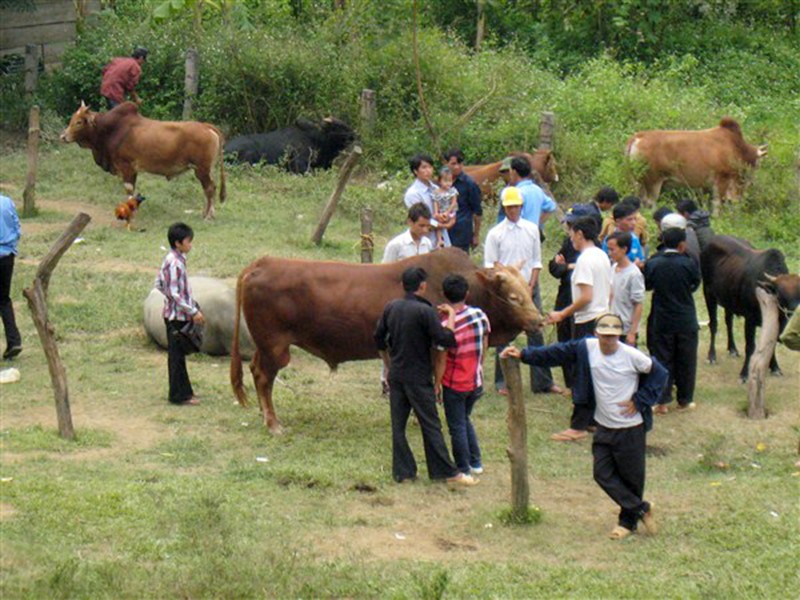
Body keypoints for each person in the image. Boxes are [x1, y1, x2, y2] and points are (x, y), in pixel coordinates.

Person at [501, 313, 667, 540]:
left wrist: (641, 400)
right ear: (597, 334)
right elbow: (556, 353)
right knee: (602, 473)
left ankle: (626, 522)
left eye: (613, 337)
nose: (609, 341)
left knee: (631, 477)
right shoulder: (586, 348)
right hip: (604, 425)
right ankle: (642, 508)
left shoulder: (632, 356)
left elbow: (660, 373)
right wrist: (523, 354)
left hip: (631, 428)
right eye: (604, 336)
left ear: (619, 336)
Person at [374, 267, 477, 486]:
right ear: (423, 286)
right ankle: (446, 472)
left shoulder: (391, 307)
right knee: (430, 424)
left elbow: (379, 339)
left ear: (403, 286)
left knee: (398, 425)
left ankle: (404, 472)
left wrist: (388, 364)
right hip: (419, 377)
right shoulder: (425, 311)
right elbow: (446, 339)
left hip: (397, 375)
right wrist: (450, 315)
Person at [485, 187, 561, 396]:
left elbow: (536, 261)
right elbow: (491, 266)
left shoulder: (531, 229)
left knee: (536, 329)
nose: (513, 211)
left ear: (521, 207)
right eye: (509, 207)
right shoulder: (495, 234)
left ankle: (542, 381)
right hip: (506, 290)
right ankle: (503, 382)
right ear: (504, 208)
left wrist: (530, 285)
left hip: (528, 284)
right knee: (504, 334)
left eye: (516, 207)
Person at [547, 216, 611, 441]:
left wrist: (562, 314)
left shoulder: (584, 260)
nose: (570, 238)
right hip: (603, 318)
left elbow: (585, 296)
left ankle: (578, 426)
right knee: (595, 372)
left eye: (572, 233)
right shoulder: (603, 256)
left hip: (588, 320)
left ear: (581, 234)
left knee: (582, 373)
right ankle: (594, 419)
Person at [436, 274, 490, 476]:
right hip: (475, 380)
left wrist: (437, 383)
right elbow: (485, 341)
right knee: (465, 419)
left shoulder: (445, 326)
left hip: (454, 382)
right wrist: (480, 364)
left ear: (443, 295)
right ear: (467, 294)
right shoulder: (479, 315)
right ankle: (476, 462)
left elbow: (441, 358)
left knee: (456, 426)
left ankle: (463, 467)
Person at [645, 227, 701, 413]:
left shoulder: (654, 263)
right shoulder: (689, 263)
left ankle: (662, 400)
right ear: (682, 244)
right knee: (686, 359)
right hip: (686, 318)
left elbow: (647, 285)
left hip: (662, 318)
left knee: (662, 358)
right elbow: (695, 283)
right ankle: (685, 399)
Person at [155, 222, 205, 406]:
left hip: (172, 314)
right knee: (176, 358)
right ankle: (178, 396)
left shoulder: (171, 259)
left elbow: (159, 284)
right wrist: (192, 310)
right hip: (177, 317)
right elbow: (175, 292)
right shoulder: (175, 263)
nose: (190, 244)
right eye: (188, 241)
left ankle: (184, 392)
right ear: (178, 243)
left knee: (178, 356)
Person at [547, 205, 589, 389]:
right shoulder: (568, 243)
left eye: (572, 225)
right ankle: (571, 384)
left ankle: (581, 382)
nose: (569, 229)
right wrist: (567, 267)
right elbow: (554, 268)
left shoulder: (593, 250)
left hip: (582, 302)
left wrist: (569, 267)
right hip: (565, 297)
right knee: (564, 339)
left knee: (580, 342)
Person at [496, 156, 557, 227]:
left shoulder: (515, 193)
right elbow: (551, 207)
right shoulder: (537, 189)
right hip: (534, 235)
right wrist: (537, 224)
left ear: (514, 172)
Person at [608, 231, 645, 347]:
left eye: (612, 250)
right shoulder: (613, 268)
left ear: (624, 249)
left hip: (625, 328)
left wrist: (632, 332)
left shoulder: (634, 274)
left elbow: (638, 304)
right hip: (611, 326)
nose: (609, 253)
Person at [403, 153, 448, 248]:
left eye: (430, 167)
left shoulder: (436, 188)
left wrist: (446, 220)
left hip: (443, 237)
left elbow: (445, 209)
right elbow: (421, 218)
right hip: (426, 239)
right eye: (424, 168)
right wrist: (439, 224)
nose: (428, 171)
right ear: (415, 171)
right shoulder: (413, 194)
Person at [443, 148, 482, 253]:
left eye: (460, 163)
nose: (457, 167)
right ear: (446, 163)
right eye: (453, 164)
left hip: (462, 233)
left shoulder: (469, 184)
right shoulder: (441, 182)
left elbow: (477, 211)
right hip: (443, 232)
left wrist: (476, 235)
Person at [0, 194, 22, 360]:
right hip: (7, 257)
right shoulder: (7, 202)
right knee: (4, 299)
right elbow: (17, 228)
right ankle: (13, 340)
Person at [601, 202, 646, 267]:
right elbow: (604, 263)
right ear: (618, 221)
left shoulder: (634, 239)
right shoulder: (609, 240)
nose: (633, 223)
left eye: (635, 219)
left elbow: (641, 260)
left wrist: (639, 264)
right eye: (629, 219)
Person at [431, 167, 458, 248]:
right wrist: (436, 213)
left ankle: (446, 240)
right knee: (437, 222)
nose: (448, 184)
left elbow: (453, 203)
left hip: (450, 211)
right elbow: (436, 203)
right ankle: (440, 239)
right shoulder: (436, 192)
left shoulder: (452, 191)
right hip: (441, 211)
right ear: (440, 181)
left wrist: (447, 212)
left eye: (450, 181)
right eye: (445, 181)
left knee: (448, 220)